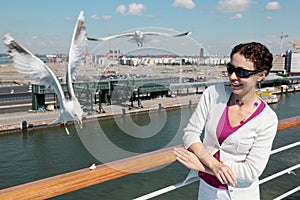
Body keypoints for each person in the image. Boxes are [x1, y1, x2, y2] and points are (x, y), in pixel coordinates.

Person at [174, 42, 278, 200]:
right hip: (206, 190)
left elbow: (251, 171)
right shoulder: (213, 94)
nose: (232, 77)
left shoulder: (267, 119)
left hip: (241, 194)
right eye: (230, 69)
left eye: (242, 72)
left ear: (261, 75)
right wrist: (214, 165)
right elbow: (190, 134)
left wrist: (202, 166)